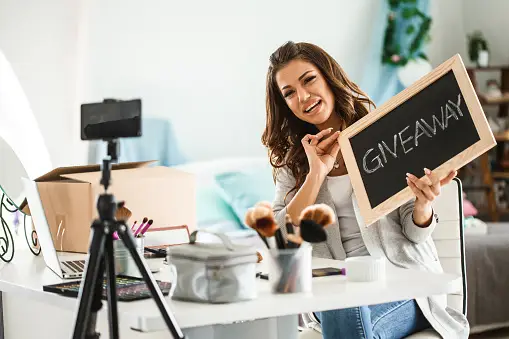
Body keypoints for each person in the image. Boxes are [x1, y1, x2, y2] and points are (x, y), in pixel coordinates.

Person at [262, 41, 469, 339]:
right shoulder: (292, 163)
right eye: (290, 93)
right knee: (342, 301)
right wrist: (316, 174)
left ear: (328, 78)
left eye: (309, 80)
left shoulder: (381, 134)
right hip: (336, 293)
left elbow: (416, 232)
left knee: (346, 307)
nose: (303, 97)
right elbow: (282, 239)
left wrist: (423, 206)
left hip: (402, 284)